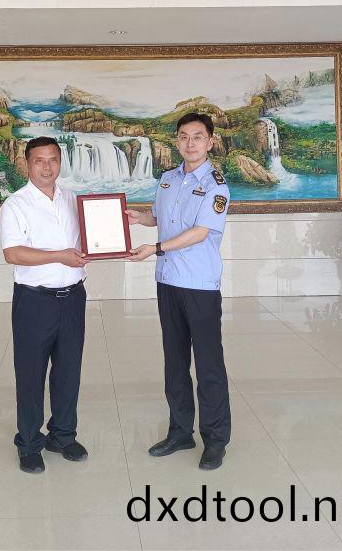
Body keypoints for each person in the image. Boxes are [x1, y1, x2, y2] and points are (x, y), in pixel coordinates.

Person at [126, 112, 231, 470]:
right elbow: (159, 217)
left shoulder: (216, 185)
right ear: (177, 141)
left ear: (210, 142)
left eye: (198, 137)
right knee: (174, 362)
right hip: (168, 281)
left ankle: (215, 440)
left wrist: (155, 248)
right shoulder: (168, 179)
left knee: (208, 364)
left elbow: (200, 232)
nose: (190, 143)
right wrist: (137, 218)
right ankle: (180, 432)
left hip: (199, 284)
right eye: (184, 136)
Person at [0, 136, 89, 474]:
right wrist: (60, 256)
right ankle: (29, 443)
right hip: (34, 301)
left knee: (68, 371)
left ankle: (63, 436)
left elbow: (90, 239)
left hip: (73, 297)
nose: (47, 167)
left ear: (60, 162)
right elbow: (13, 253)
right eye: (39, 160)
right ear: (27, 163)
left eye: (53, 159)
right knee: (31, 374)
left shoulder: (73, 200)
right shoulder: (15, 205)